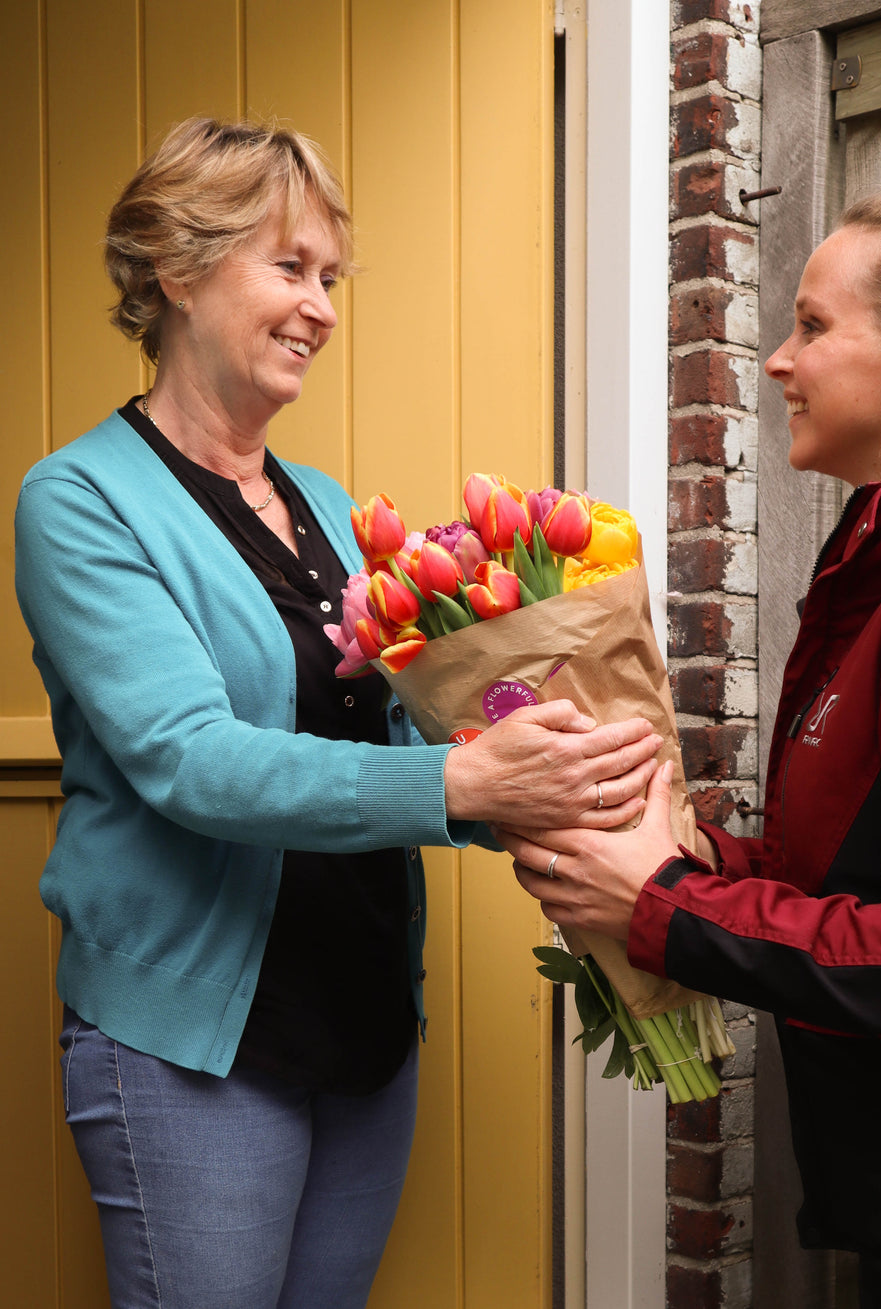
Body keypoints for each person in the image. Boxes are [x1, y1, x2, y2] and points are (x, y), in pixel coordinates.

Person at [14, 116, 661, 1309]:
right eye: (289, 268)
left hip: (359, 1016)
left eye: (329, 278)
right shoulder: (78, 500)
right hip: (196, 1044)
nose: (320, 306)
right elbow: (188, 762)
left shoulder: (319, 501)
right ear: (176, 268)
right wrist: (461, 789)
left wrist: (552, 781)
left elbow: (402, 726)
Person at [498, 183, 881, 1308]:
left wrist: (666, 904)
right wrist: (654, 850)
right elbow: (849, 875)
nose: (778, 360)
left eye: (814, 326)